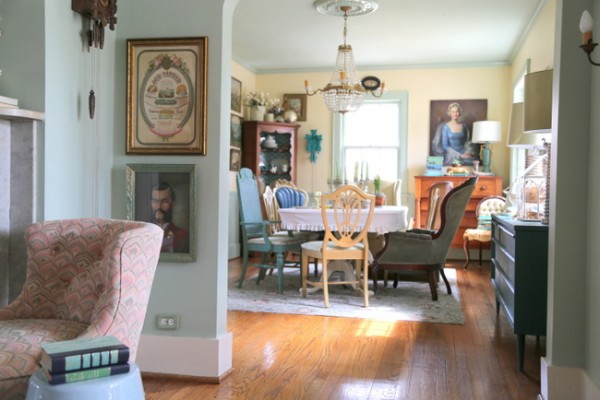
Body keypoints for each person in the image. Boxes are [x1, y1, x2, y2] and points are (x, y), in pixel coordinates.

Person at [150, 182, 189, 253]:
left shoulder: (183, 236)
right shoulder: (143, 233)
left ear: (172, 204)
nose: (159, 206)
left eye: (164, 201)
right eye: (155, 201)